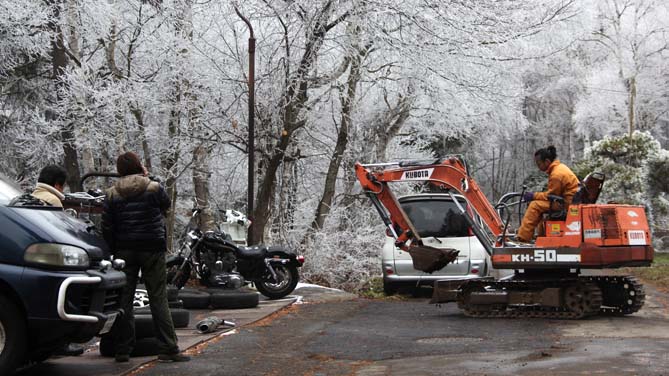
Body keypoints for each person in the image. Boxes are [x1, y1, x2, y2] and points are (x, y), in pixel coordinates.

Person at [102, 151, 190, 363]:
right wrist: (148, 177)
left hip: (124, 249)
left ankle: (123, 350)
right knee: (158, 297)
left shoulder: (112, 193)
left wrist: (113, 250)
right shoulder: (153, 187)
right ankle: (168, 348)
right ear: (139, 166)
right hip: (152, 248)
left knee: (124, 300)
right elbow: (166, 208)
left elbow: (107, 226)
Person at [516, 145, 579, 243]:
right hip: (570, 202)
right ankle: (541, 236)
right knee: (541, 206)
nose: (538, 166)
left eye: (539, 163)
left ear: (547, 162)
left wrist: (533, 196)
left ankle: (523, 237)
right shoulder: (560, 167)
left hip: (566, 204)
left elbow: (551, 195)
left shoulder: (556, 175)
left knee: (535, 205)